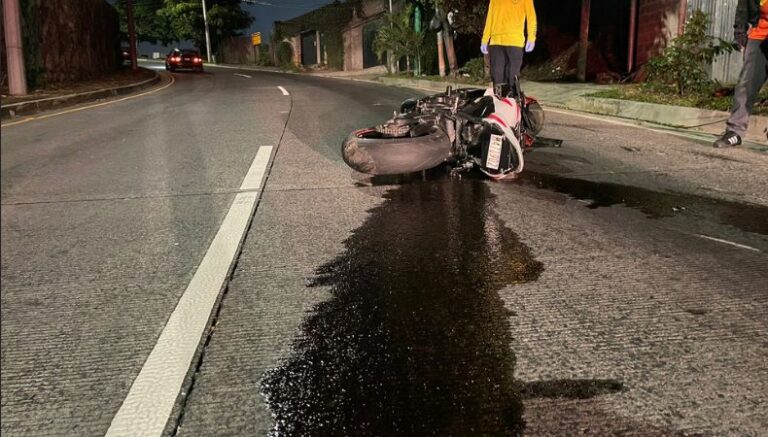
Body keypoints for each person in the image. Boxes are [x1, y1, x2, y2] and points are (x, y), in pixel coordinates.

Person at [714, 0, 768, 148]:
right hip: (760, 34)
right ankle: (734, 131)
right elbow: (743, 6)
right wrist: (740, 33)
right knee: (746, 84)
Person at [480, 0, 537, 95]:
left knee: (512, 77)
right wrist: (485, 39)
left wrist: (531, 37)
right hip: (496, 42)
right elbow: (490, 18)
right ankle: (498, 101)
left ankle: (513, 99)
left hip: (515, 42)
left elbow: (531, 17)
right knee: (497, 77)